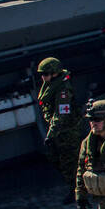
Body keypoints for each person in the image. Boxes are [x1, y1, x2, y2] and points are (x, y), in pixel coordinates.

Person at [36, 57, 83, 201]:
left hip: (67, 131)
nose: (43, 77)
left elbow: (60, 114)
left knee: (70, 162)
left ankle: (78, 191)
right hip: (59, 131)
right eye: (42, 74)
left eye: (46, 74)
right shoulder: (51, 85)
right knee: (63, 161)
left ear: (55, 73)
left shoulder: (63, 90)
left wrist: (51, 134)